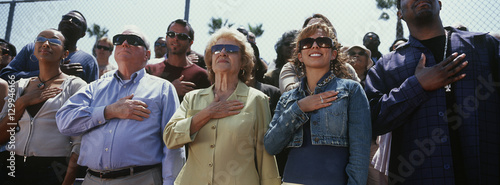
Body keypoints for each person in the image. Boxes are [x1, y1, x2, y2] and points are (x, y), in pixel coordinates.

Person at [365, 0, 500, 184]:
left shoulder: (484, 46)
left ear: (440, 4)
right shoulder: (386, 67)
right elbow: (371, 121)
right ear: (399, 13)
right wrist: (416, 86)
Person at [56, 27, 185, 185]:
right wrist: (108, 111)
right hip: (92, 179)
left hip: (141, 179)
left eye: (133, 41)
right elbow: (63, 121)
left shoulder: (162, 89)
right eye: (119, 40)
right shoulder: (95, 87)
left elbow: (173, 144)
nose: (124, 43)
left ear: (147, 54)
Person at [163, 27, 281, 185]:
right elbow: (170, 138)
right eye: (217, 49)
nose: (223, 52)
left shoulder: (257, 100)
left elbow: (265, 157)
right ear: (210, 60)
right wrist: (207, 114)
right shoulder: (192, 98)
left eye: (231, 49)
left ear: (243, 62)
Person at [264, 23, 371, 185]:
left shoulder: (352, 90)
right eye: (307, 43)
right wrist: (299, 108)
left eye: (323, 42)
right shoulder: (287, 99)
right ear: (300, 55)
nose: (314, 46)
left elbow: (360, 152)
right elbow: (271, 146)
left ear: (333, 53)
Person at [0, 29, 87, 185]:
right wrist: (21, 103)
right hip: (10, 166)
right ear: (34, 48)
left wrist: (67, 180)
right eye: (40, 39)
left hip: (52, 170)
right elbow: (1, 136)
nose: (46, 44)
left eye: (54, 41)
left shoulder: (75, 86)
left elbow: (79, 142)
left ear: (65, 54)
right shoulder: (18, 86)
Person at [0, 10, 99, 84]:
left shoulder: (88, 60)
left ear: (82, 34)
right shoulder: (32, 48)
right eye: (65, 18)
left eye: (76, 21)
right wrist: (53, 73)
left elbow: (92, 95)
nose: (69, 21)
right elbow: (6, 77)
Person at [279, 14, 359, 94]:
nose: (315, 46)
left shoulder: (346, 70)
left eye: (323, 41)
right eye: (308, 41)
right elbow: (288, 95)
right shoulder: (291, 68)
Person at [146, 19, 211, 101]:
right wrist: (171, 90)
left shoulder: (201, 75)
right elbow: (143, 101)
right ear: (166, 38)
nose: (175, 39)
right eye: (171, 34)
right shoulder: (150, 71)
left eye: (182, 36)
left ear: (190, 43)